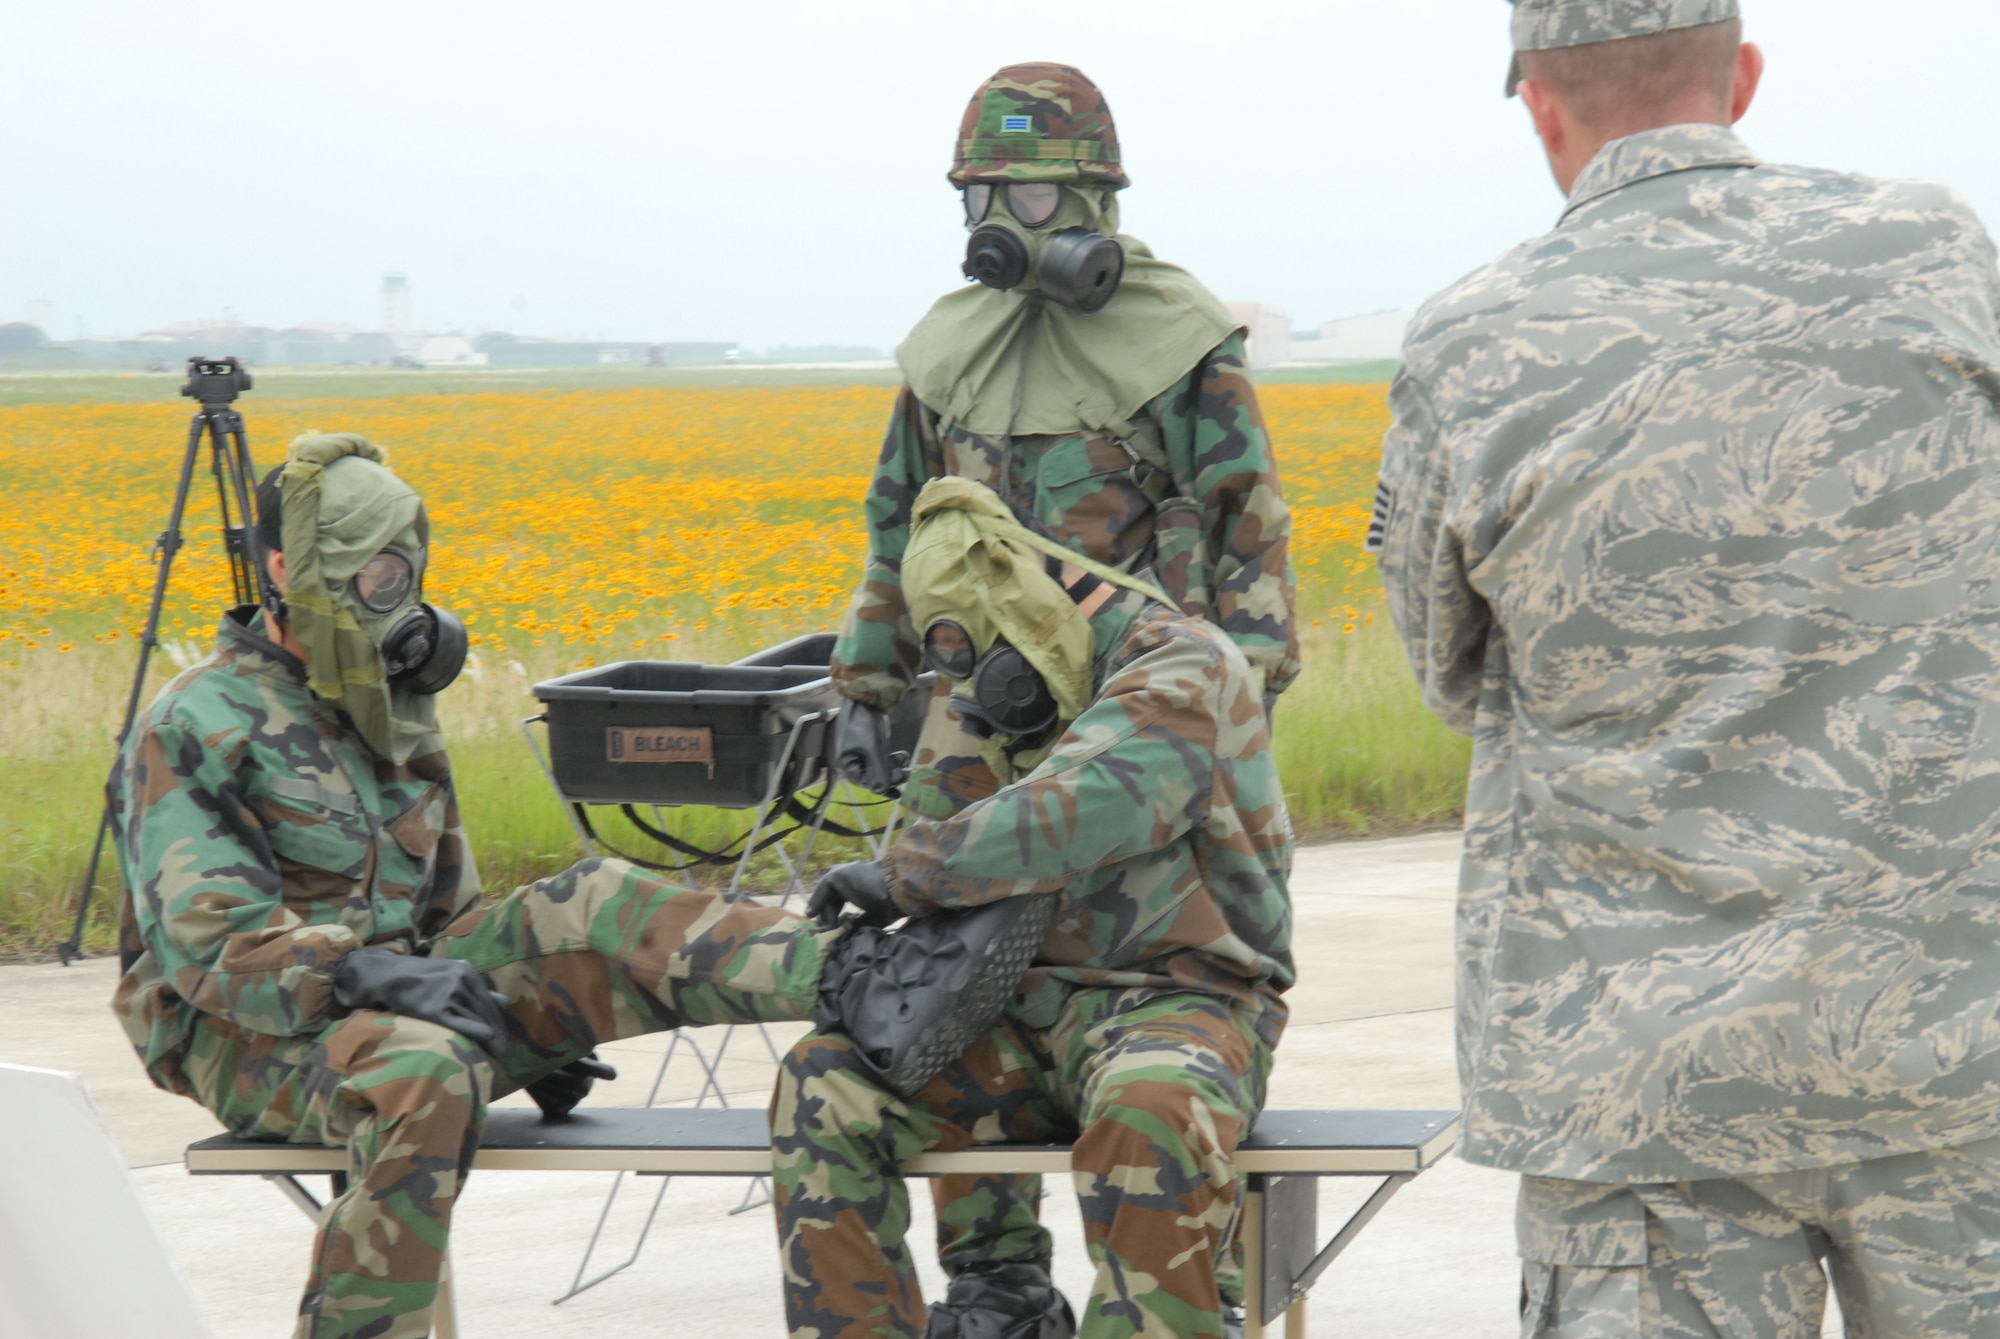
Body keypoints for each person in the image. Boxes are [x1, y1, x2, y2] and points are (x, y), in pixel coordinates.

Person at [1373, 2, 2000, 1333]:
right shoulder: (1942, 252)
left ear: (1539, 106)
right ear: (1745, 77)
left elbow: (1441, 664)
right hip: (1950, 1042)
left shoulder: (1473, 341)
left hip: (1636, 1079)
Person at [107, 433, 942, 1339]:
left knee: (586, 903)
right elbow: (211, 952)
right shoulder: (195, 723)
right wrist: (364, 976)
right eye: (376, 580)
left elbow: (454, 921)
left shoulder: (381, 707)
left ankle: (872, 974)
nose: (396, 604)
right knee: (428, 1069)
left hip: (390, 993)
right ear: (284, 568)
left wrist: (525, 1011)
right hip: (238, 1025)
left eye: (406, 576)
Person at [826, 60, 1300, 1334]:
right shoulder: (945, 352)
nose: (1003, 215)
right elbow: (894, 524)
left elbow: (1245, 534)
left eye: (1029, 193)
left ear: (1091, 197)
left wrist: (1218, 721)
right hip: (977, 712)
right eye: (983, 191)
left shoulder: (1179, 340)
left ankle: (1168, 1274)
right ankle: (995, 1282)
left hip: (1132, 714)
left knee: (1131, 990)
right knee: (953, 975)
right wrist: (869, 681)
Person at [775, 477, 1294, 1339]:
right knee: (823, 1081)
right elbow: (953, 880)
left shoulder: (1182, 664)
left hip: (1175, 1000)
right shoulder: (980, 684)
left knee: (1152, 1107)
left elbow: (1089, 804)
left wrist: (903, 873)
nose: (974, 681)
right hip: (1012, 1015)